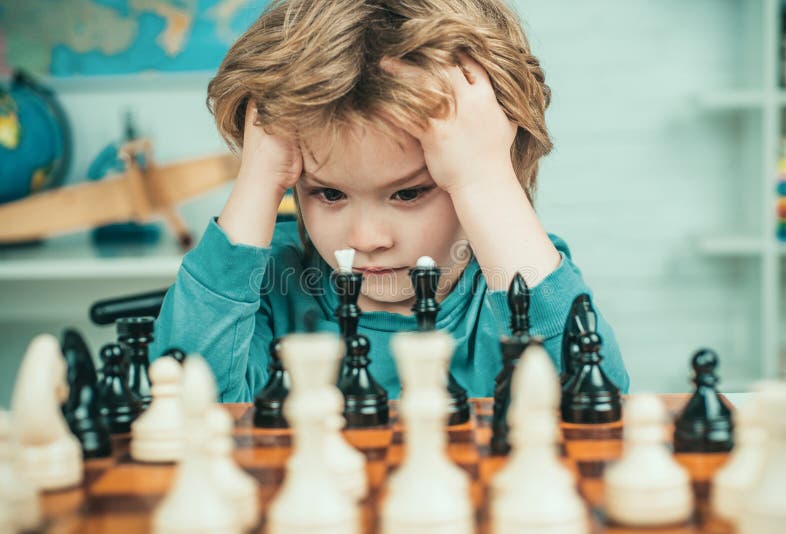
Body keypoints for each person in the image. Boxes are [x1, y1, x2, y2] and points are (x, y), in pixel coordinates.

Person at [152, 0, 630, 401]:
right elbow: (183, 411)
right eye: (329, 193)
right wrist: (257, 180)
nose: (366, 239)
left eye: (408, 192)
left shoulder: (510, 280)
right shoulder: (270, 292)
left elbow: (596, 405)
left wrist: (487, 180)